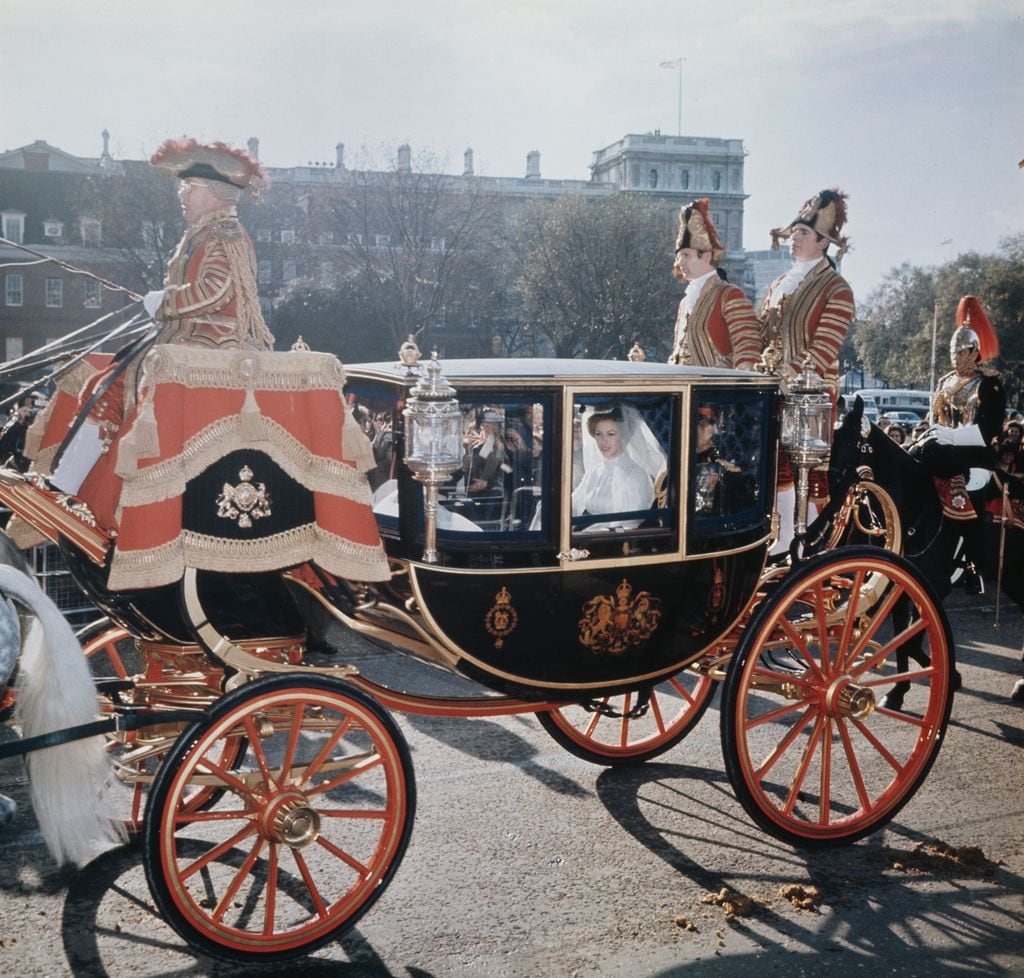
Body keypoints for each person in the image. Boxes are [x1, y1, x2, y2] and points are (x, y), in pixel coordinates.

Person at [48, 138, 273, 527]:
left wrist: (165, 302)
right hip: (183, 340)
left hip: (207, 346)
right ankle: (68, 484)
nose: (182, 195)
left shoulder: (224, 234)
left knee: (109, 387)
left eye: (189, 188)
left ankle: (67, 486)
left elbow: (215, 290)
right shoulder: (205, 232)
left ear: (213, 193)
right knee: (104, 381)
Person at [761, 188, 856, 554]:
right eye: (794, 232)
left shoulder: (837, 288)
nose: (794, 238)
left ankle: (800, 543)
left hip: (808, 397)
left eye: (802, 233)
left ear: (823, 242)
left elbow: (822, 350)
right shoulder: (776, 287)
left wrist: (779, 381)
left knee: (799, 469)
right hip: (771, 391)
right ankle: (774, 537)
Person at [912, 296, 1005, 594]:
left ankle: (975, 562)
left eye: (961, 351)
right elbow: (933, 419)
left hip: (976, 459)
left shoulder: (989, 384)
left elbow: (986, 430)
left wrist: (948, 436)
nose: (955, 356)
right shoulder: (944, 382)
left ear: (975, 351)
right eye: (952, 351)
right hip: (943, 452)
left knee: (945, 466)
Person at [668, 199, 761, 370]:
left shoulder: (730, 295)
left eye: (687, 255)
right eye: (679, 256)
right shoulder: (684, 303)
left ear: (706, 256)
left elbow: (747, 347)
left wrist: (718, 378)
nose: (680, 262)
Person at [572, 404, 666, 531]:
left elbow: (631, 523)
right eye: (598, 434)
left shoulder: (637, 475)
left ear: (623, 436)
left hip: (614, 542)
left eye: (611, 434)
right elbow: (574, 504)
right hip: (587, 536)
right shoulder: (594, 471)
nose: (603, 441)